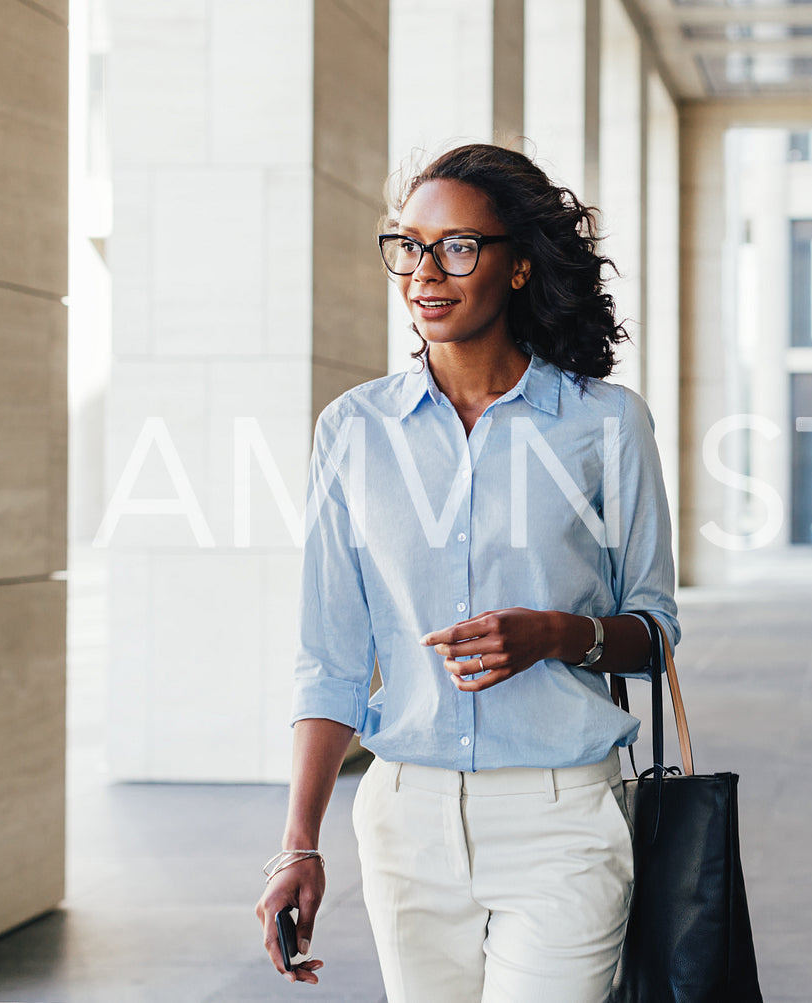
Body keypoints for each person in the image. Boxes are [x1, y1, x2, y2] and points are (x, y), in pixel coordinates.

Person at [252, 142, 680, 1002]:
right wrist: (299, 841)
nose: (424, 271)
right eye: (408, 245)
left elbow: (654, 629)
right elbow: (330, 658)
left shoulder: (604, 423)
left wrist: (555, 634)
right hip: (405, 821)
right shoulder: (354, 429)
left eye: (456, 246)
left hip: (562, 820)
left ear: (518, 266)